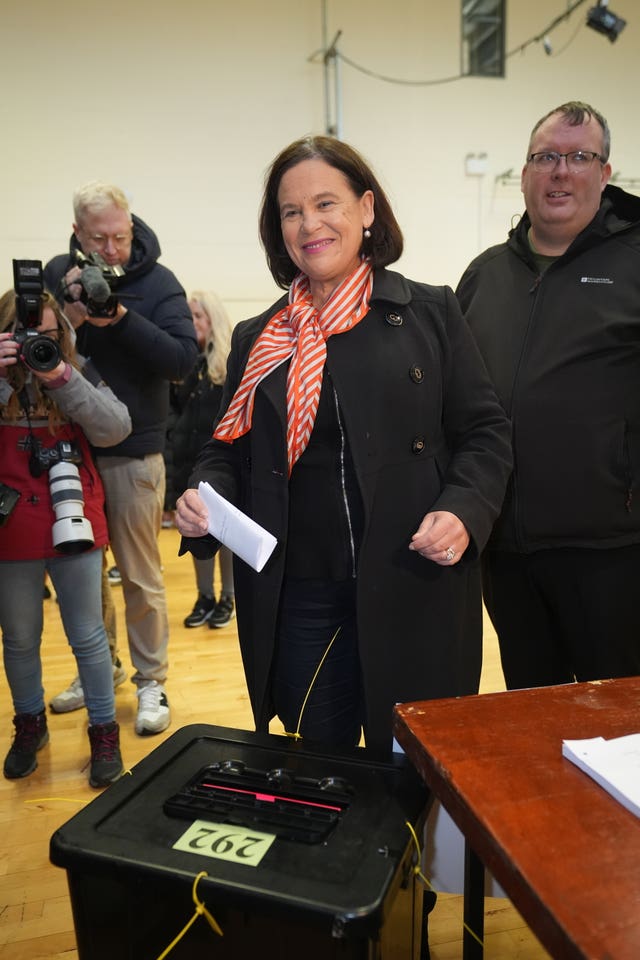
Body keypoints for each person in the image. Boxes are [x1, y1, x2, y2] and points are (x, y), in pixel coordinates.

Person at [175, 135, 512, 755]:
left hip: (413, 579)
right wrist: (205, 496)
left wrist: (465, 509)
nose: (310, 224)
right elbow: (226, 449)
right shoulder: (260, 336)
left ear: (366, 209)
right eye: (291, 212)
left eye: (326, 203)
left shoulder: (429, 314)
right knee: (322, 768)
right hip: (302, 593)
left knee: (420, 767)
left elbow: (485, 432)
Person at [456, 100, 640, 689]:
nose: (561, 171)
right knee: (530, 712)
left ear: (606, 173)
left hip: (611, 551)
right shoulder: (484, 275)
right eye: (546, 157)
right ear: (526, 172)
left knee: (618, 723)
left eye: (579, 157)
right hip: (504, 552)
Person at [44, 182, 198, 734]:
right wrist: (69, 318)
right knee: (81, 572)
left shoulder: (160, 283)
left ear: (132, 227)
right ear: (79, 235)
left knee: (139, 576)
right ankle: (97, 670)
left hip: (134, 452)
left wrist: (123, 320)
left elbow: (183, 360)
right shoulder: (58, 272)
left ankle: (151, 682)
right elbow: (34, 349)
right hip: (70, 450)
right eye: (100, 239)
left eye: (120, 235)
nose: (112, 249)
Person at [0, 286, 131, 787]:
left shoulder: (75, 367)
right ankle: (29, 724)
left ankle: (104, 732)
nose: (39, 342)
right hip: (11, 520)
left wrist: (60, 376)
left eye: (49, 335)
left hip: (71, 510)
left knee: (89, 635)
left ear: (63, 333)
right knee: (18, 637)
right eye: (28, 335)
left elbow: (116, 427)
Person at [167, 291, 235, 629]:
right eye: (188, 317)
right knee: (194, 530)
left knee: (225, 537)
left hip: (220, 468)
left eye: (198, 316)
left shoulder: (229, 365)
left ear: (213, 319)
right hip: (189, 465)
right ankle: (204, 595)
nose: (192, 324)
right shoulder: (187, 365)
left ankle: (228, 597)